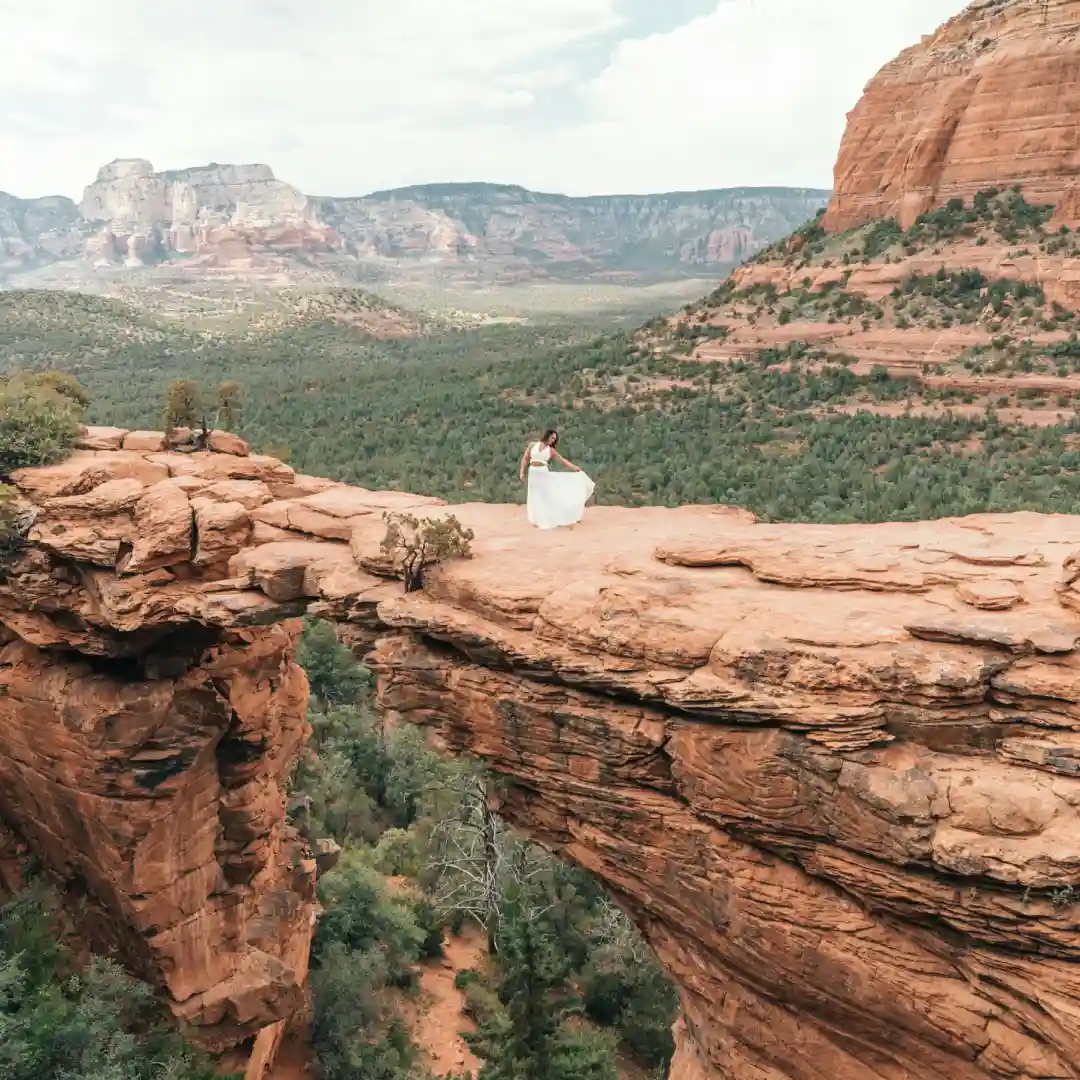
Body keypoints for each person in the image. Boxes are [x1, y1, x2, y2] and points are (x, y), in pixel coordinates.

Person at [518, 428, 595, 530]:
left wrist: (574, 468)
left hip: (543, 473)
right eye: (552, 437)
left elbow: (562, 461)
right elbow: (525, 458)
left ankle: (556, 515)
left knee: (545, 495)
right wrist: (522, 472)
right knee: (534, 494)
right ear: (547, 435)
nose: (553, 440)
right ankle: (536, 518)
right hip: (533, 472)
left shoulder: (550, 450)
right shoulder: (532, 445)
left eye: (554, 439)